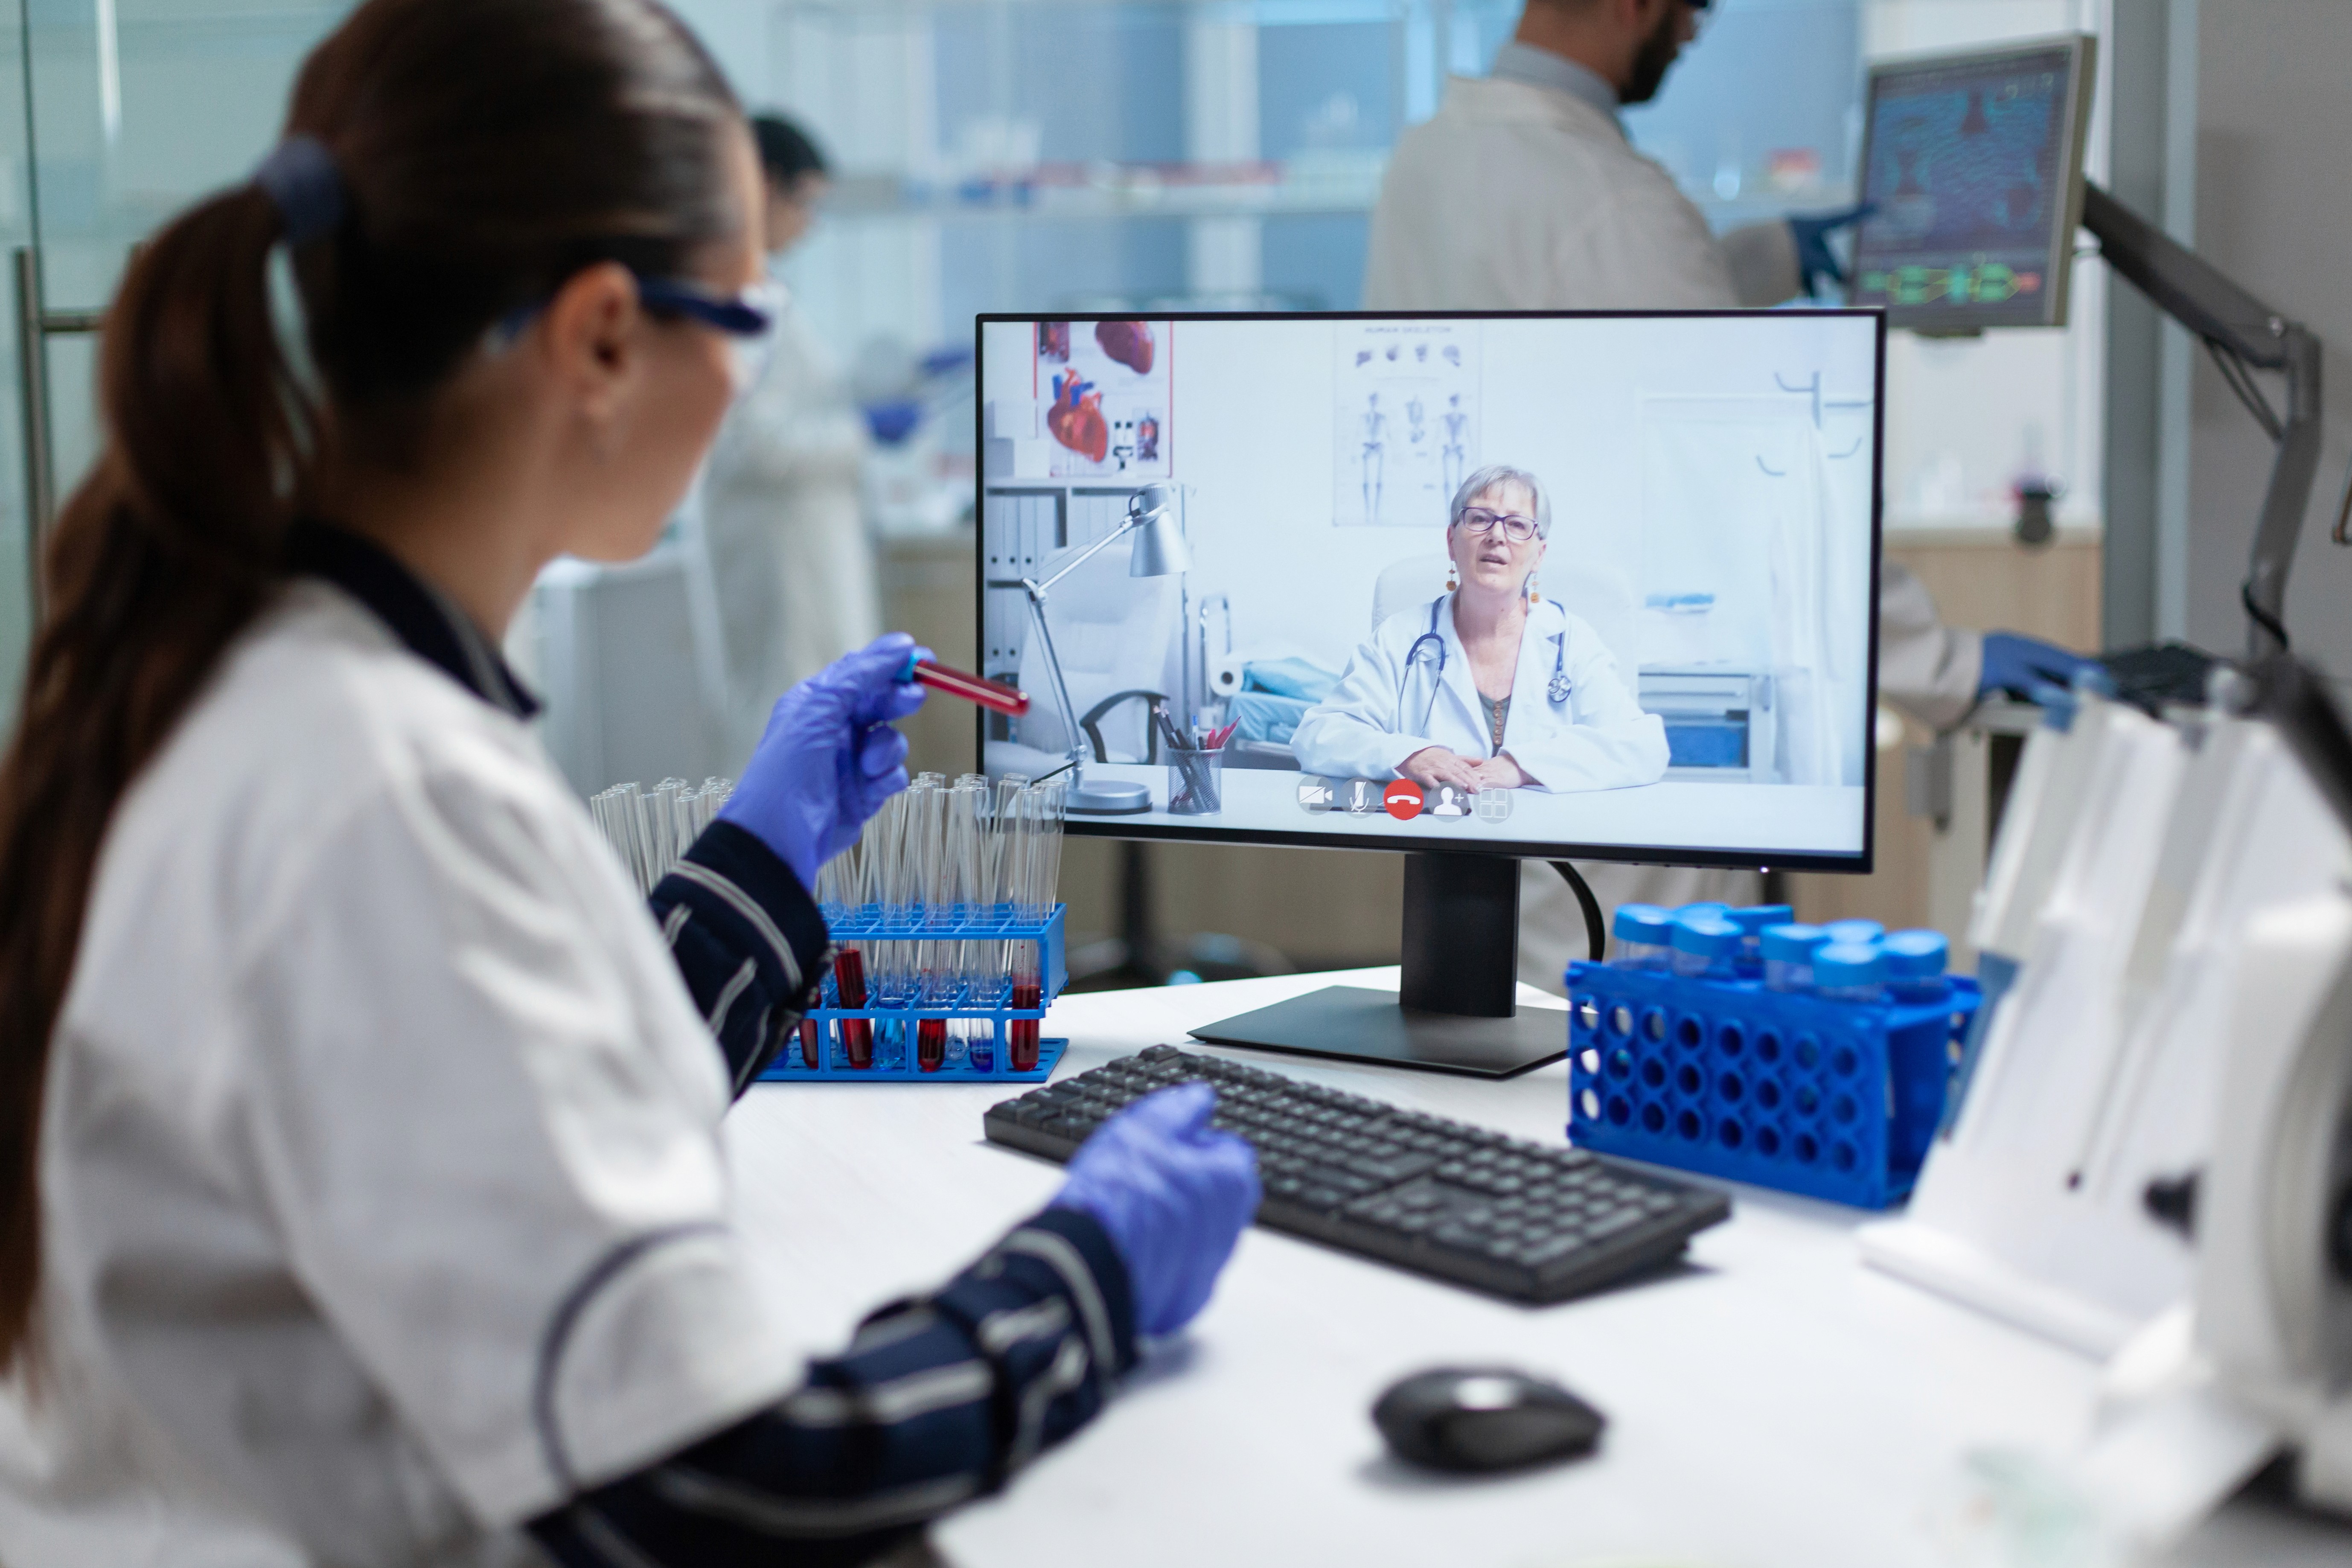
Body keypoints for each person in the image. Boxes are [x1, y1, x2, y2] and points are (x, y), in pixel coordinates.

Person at [0, 4, 1257, 1565]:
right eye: (750, 315)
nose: (750, 374)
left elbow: (502, 1114)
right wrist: (1088, 1279)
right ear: (604, 336)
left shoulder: (276, 678)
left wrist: (757, 866)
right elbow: (727, 1485)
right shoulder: (375, 789)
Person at [1362, 0, 2098, 976]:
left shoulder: (1434, 156)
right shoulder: (1607, 200)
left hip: (1482, 680)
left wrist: (1762, 257)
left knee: (1502, 1007)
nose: (1695, 32)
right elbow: (1764, 490)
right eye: (1692, 9)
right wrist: (1939, 661)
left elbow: (1573, 326)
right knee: (1631, 1027)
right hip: (1609, 716)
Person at [1292, 465, 1666, 794]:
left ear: (1539, 554)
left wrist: (1523, 767)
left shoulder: (1571, 640)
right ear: (1452, 541)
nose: (1497, 536)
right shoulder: (1401, 637)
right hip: (1432, 838)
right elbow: (1319, 736)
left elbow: (1644, 745)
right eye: (1479, 519)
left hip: (1543, 845)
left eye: (1518, 524)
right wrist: (1408, 755)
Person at [699, 112, 883, 769]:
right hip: (779, 563)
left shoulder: (763, 291)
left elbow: (792, 406)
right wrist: (862, 433)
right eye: (804, 201)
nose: (808, 222)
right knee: (784, 742)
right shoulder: (739, 296)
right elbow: (751, 442)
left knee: (817, 742)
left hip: (800, 553)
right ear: (765, 184)